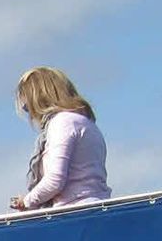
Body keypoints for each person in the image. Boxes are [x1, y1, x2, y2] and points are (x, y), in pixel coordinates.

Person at [9, 67, 111, 210]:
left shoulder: (62, 123)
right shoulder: (87, 124)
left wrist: (26, 202)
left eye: (28, 106)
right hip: (96, 206)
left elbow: (55, 180)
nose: (30, 113)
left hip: (73, 211)